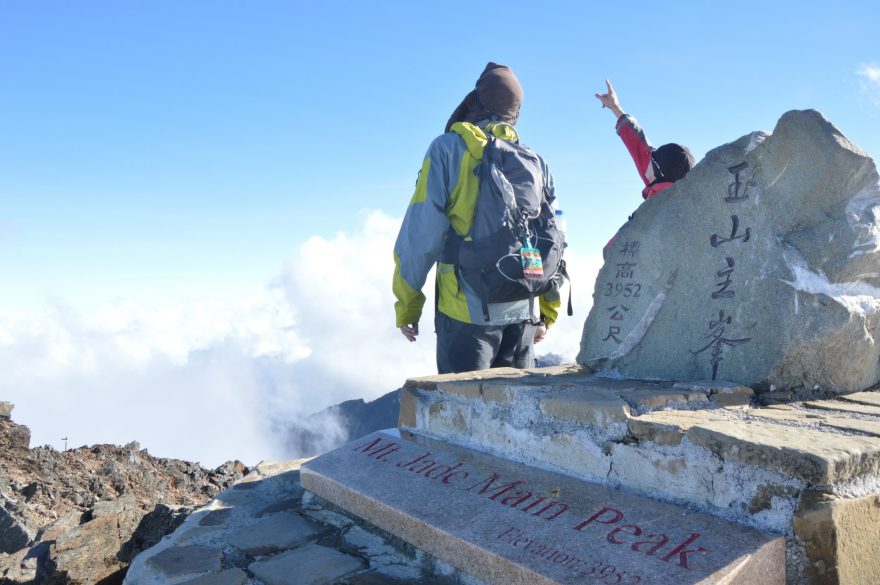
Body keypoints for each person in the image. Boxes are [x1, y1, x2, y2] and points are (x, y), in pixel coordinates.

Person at [392, 62, 562, 374]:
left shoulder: (448, 149)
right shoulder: (535, 161)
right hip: (523, 305)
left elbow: (420, 234)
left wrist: (407, 306)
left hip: (466, 312)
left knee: (464, 412)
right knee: (517, 416)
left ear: (476, 100)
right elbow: (551, 237)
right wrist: (548, 309)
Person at [595, 79, 695, 201]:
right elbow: (636, 140)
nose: (647, 160)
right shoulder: (657, 176)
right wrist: (615, 107)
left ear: (657, 172)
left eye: (651, 160)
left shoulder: (666, 201)